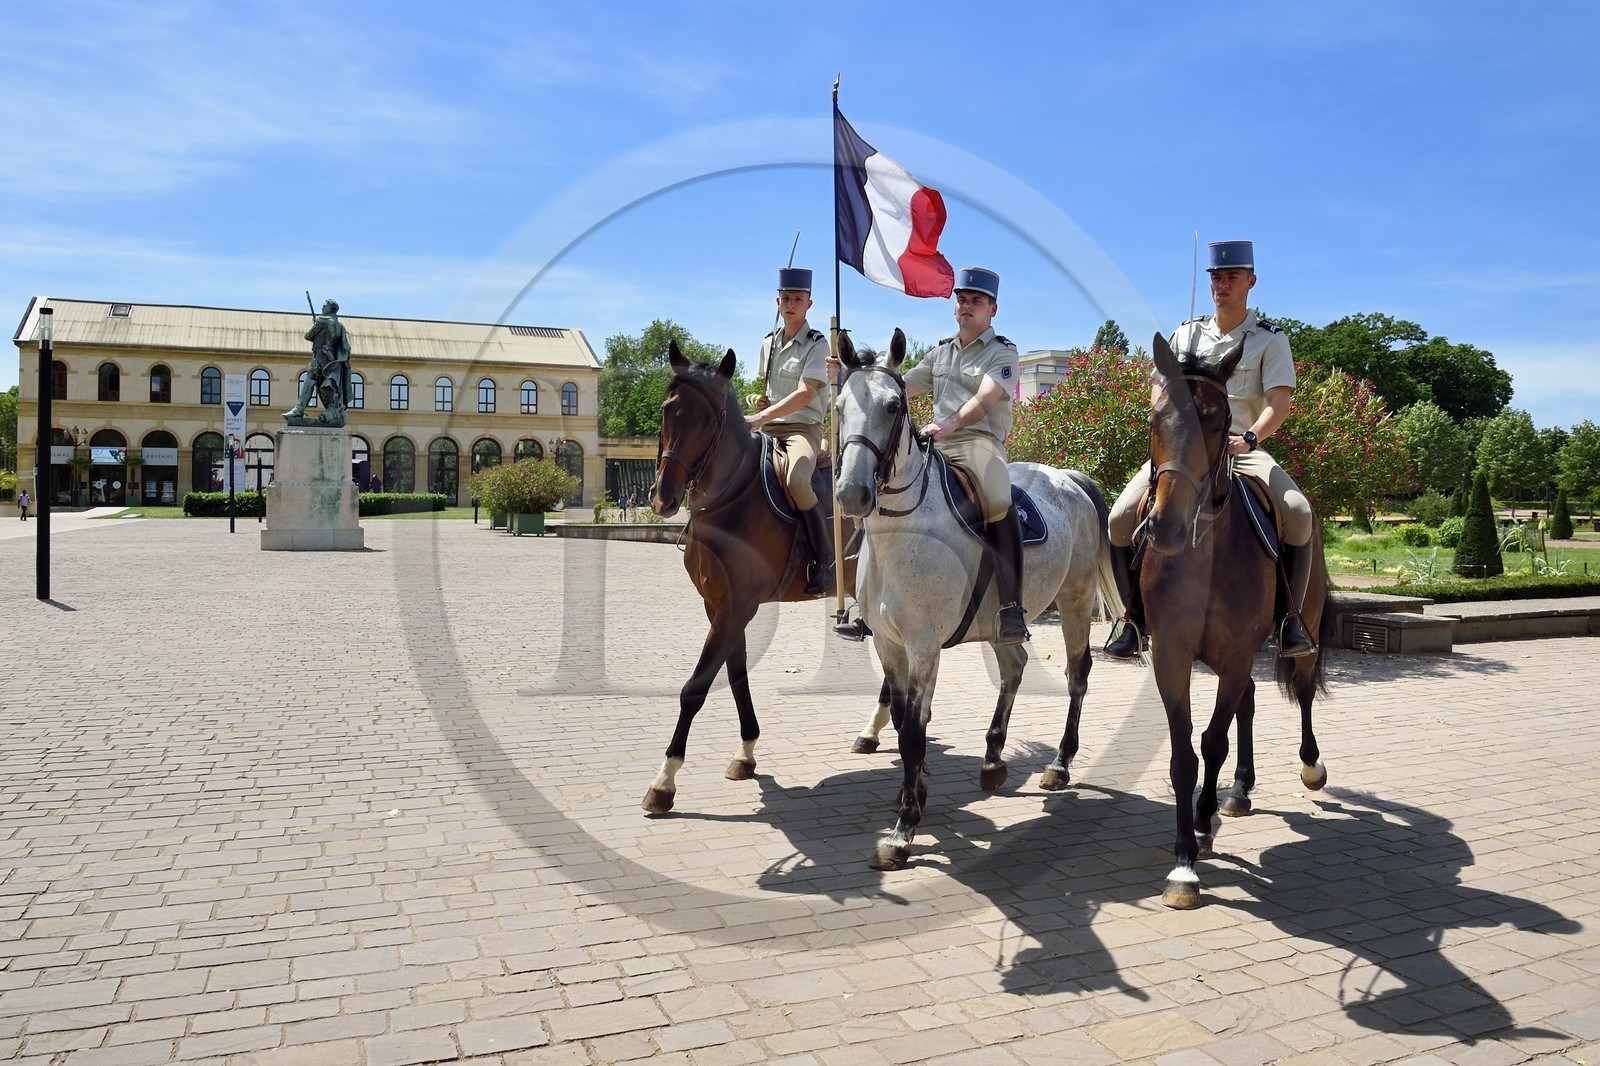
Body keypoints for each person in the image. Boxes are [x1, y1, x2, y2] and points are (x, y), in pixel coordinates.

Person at [1104, 240, 1317, 659]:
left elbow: (1280, 401)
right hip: (1184, 451)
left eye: (1231, 277)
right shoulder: (1186, 333)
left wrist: (1252, 436)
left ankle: (1291, 619)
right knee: (1117, 519)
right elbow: (1158, 383)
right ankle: (1132, 618)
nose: (1222, 284)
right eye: (1216, 277)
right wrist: (1169, 421)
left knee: (1298, 513)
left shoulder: (1270, 340)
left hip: (1241, 447)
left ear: (1250, 282)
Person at [907, 267, 1029, 643]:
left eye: (976, 300)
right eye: (961, 299)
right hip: (936, 442)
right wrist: (850, 376)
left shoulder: (1002, 351)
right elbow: (904, 386)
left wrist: (947, 426)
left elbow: (984, 400)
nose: (966, 305)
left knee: (996, 497)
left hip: (979, 441)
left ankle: (1011, 608)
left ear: (993, 308)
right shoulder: (939, 353)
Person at [747, 267, 834, 596]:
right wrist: (759, 403)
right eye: (786, 298)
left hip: (802, 429)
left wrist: (762, 416)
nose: (791, 303)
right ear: (777, 301)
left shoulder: (817, 344)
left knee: (797, 480)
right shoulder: (767, 343)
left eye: (798, 298)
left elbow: (805, 394)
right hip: (767, 426)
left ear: (809, 304)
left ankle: (824, 560)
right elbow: (771, 388)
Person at [285, 298, 352, 426]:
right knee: (328, 385)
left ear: (329, 308)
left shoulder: (322, 320)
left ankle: (298, 409)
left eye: (324, 306)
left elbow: (308, 336)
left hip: (319, 358)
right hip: (332, 360)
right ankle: (332, 408)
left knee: (309, 381)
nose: (322, 308)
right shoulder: (340, 326)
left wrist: (316, 323)